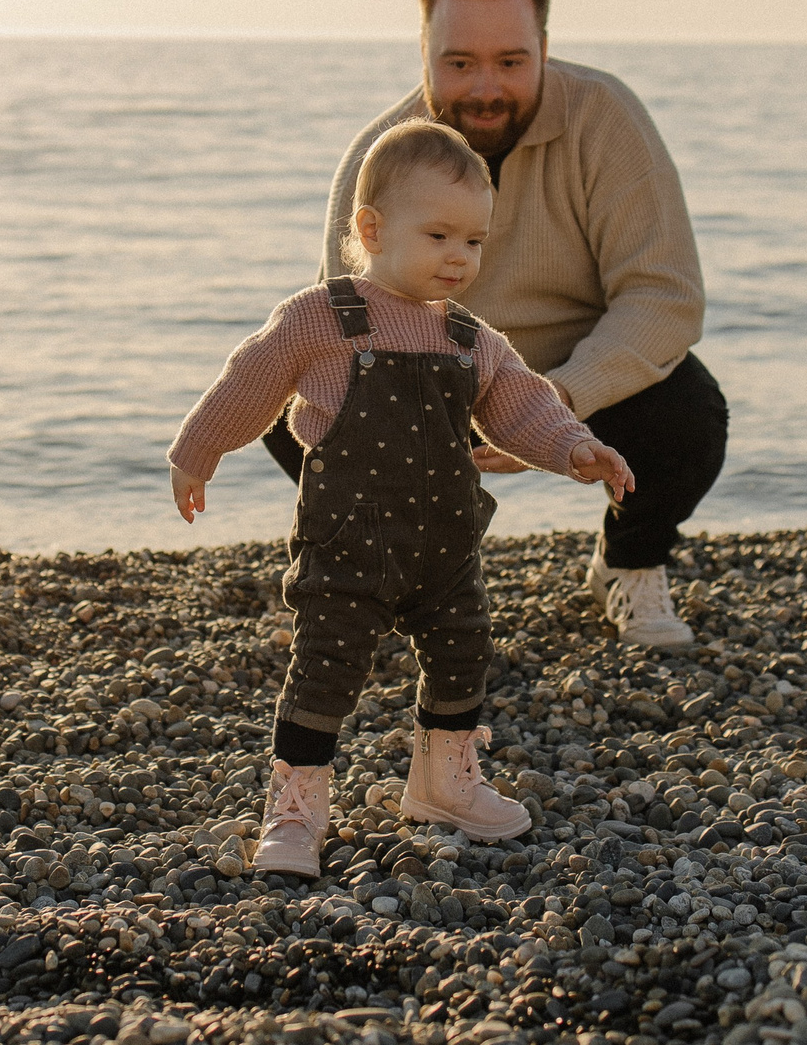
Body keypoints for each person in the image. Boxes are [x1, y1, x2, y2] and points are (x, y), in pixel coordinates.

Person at [170, 120, 634, 877]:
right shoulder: (321, 317)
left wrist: (574, 447)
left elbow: (521, 404)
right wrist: (197, 452)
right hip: (348, 543)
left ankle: (444, 783)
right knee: (325, 668)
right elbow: (249, 381)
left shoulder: (470, 338)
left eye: (476, 242)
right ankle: (296, 810)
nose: (460, 257)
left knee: (462, 653)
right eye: (440, 236)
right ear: (372, 229)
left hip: (445, 547)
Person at [269, 0, 725, 650]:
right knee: (294, 408)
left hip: (574, 369)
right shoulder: (379, 154)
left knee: (689, 413)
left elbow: (665, 297)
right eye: (459, 63)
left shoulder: (606, 119)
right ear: (424, 50)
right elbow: (345, 325)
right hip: (431, 376)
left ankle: (629, 565)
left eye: (511, 62)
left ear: (544, 45)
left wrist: (557, 400)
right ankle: (394, 579)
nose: (485, 87)